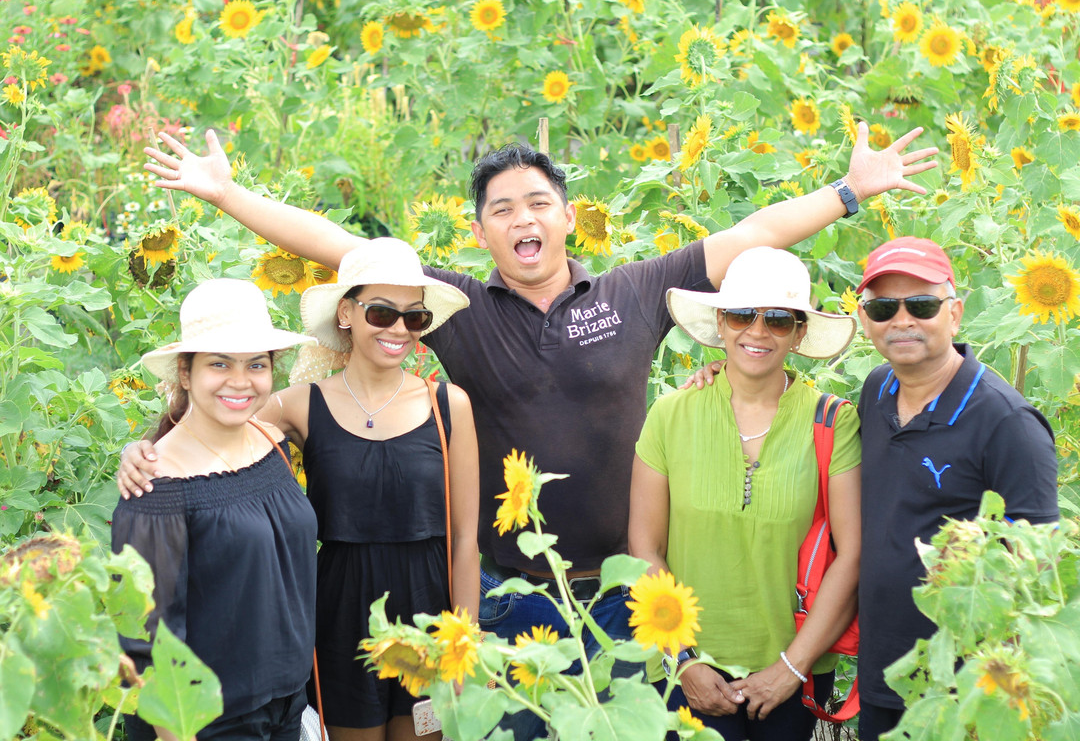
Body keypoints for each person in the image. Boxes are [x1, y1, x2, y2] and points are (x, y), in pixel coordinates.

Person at [129, 123, 935, 740]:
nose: (523, 217)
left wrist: (850, 190)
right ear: (481, 233)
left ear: (568, 217)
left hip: (627, 592)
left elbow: (751, 236)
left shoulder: (633, 292)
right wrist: (228, 195)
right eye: (501, 208)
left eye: (538, 202)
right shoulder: (462, 311)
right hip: (510, 597)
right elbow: (343, 251)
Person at [120, 239, 481, 741]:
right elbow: (212, 427)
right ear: (347, 314)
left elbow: (466, 538)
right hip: (338, 615)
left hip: (429, 609)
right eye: (381, 312)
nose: (398, 328)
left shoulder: (448, 406)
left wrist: (464, 639)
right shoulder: (297, 406)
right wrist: (142, 451)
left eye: (414, 318)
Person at [628, 246, 861, 741]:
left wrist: (791, 668)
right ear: (720, 321)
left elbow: (852, 554)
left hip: (795, 672)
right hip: (686, 670)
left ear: (800, 332)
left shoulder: (833, 421)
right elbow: (645, 549)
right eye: (741, 315)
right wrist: (684, 659)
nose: (756, 331)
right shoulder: (670, 415)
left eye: (778, 319)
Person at [853, 236, 1060, 741]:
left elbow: (1040, 560)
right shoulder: (876, 389)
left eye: (921, 304)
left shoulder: (1006, 422)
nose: (901, 320)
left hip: (964, 686)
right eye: (882, 308)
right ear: (865, 320)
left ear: (955, 313)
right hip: (886, 670)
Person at [112, 279, 319, 741]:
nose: (240, 381)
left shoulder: (270, 441)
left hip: (287, 699)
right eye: (219, 363)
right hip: (209, 721)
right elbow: (146, 641)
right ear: (185, 373)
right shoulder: (156, 485)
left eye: (256, 364)